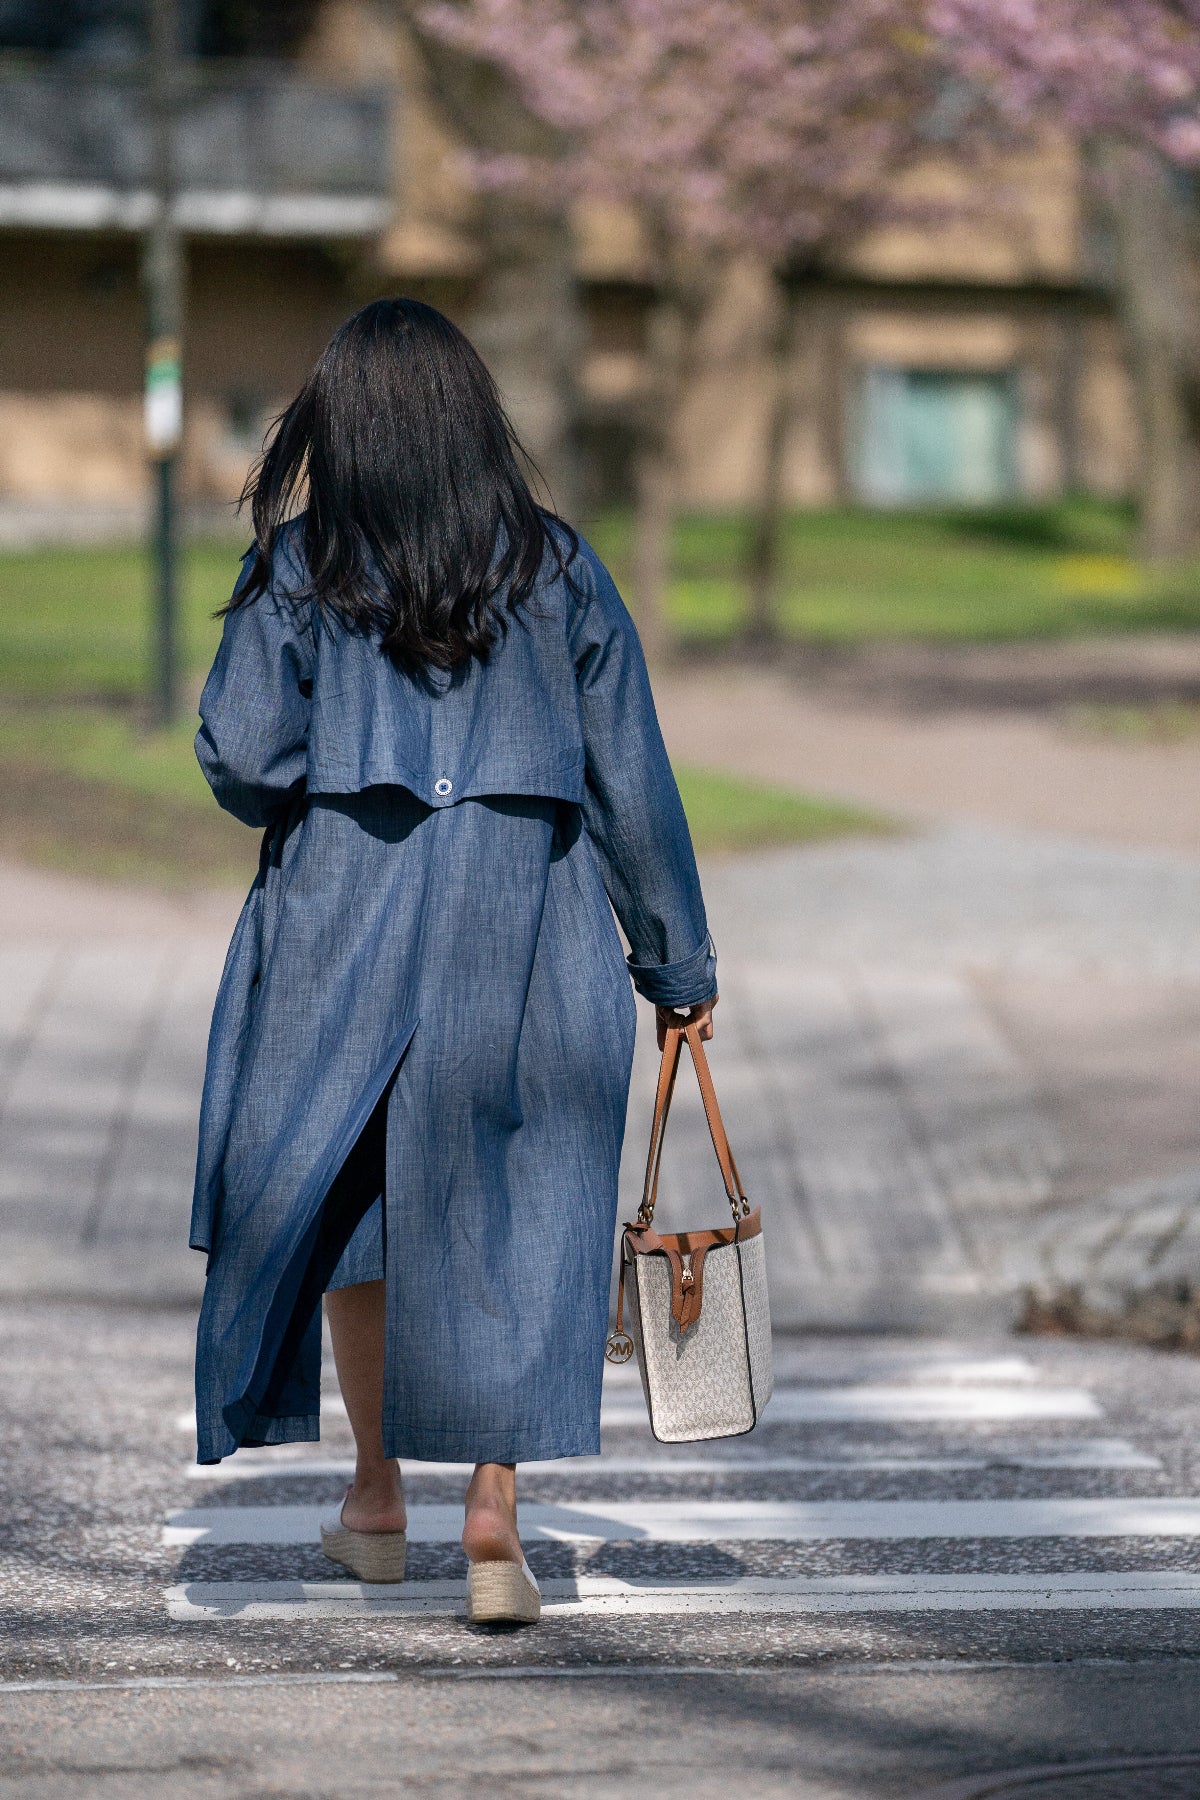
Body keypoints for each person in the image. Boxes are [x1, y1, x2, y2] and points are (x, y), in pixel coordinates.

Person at [189, 297, 717, 1625]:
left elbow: (242, 761)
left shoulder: (299, 569)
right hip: (529, 928)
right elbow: (631, 784)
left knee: (354, 1210)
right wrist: (678, 964)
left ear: (343, 427)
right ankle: (494, 1517)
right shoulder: (561, 569)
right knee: (520, 1208)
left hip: (341, 932)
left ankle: (375, 1500)